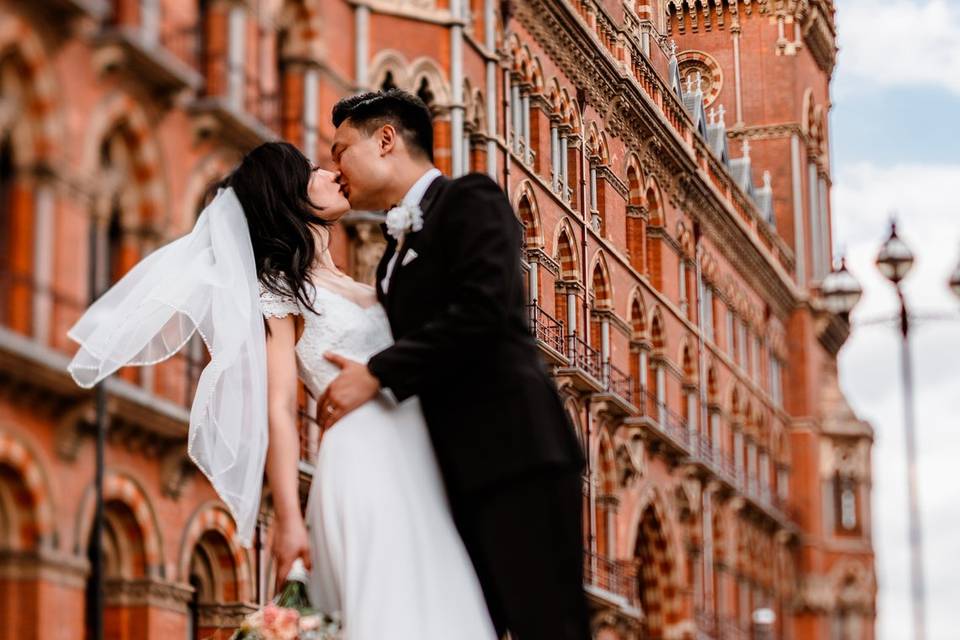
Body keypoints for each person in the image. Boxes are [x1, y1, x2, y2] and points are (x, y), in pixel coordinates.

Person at [67, 142, 496, 639]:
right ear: (288, 197)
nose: (332, 172)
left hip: (421, 459)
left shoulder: (374, 282)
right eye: (313, 170)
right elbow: (278, 408)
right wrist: (289, 518)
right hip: (361, 462)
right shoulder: (280, 290)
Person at [320, 89, 591, 640]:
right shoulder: (391, 257)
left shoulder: (469, 199)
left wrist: (376, 373)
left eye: (341, 149)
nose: (335, 165)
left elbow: (486, 309)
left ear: (386, 140)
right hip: (452, 472)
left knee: (547, 624)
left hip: (515, 451)